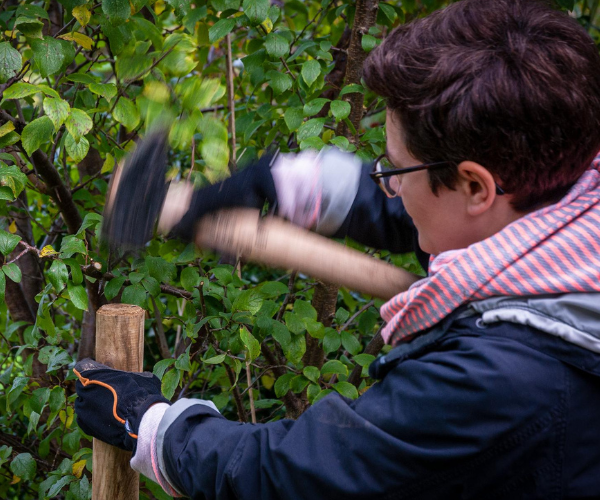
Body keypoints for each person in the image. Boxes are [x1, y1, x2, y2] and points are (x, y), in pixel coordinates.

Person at [73, 0, 600, 498]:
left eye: (394, 169)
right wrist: (274, 183)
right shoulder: (567, 202)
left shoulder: (496, 382)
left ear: (477, 187)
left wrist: (149, 423)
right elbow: (407, 210)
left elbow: (296, 474)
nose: (387, 185)